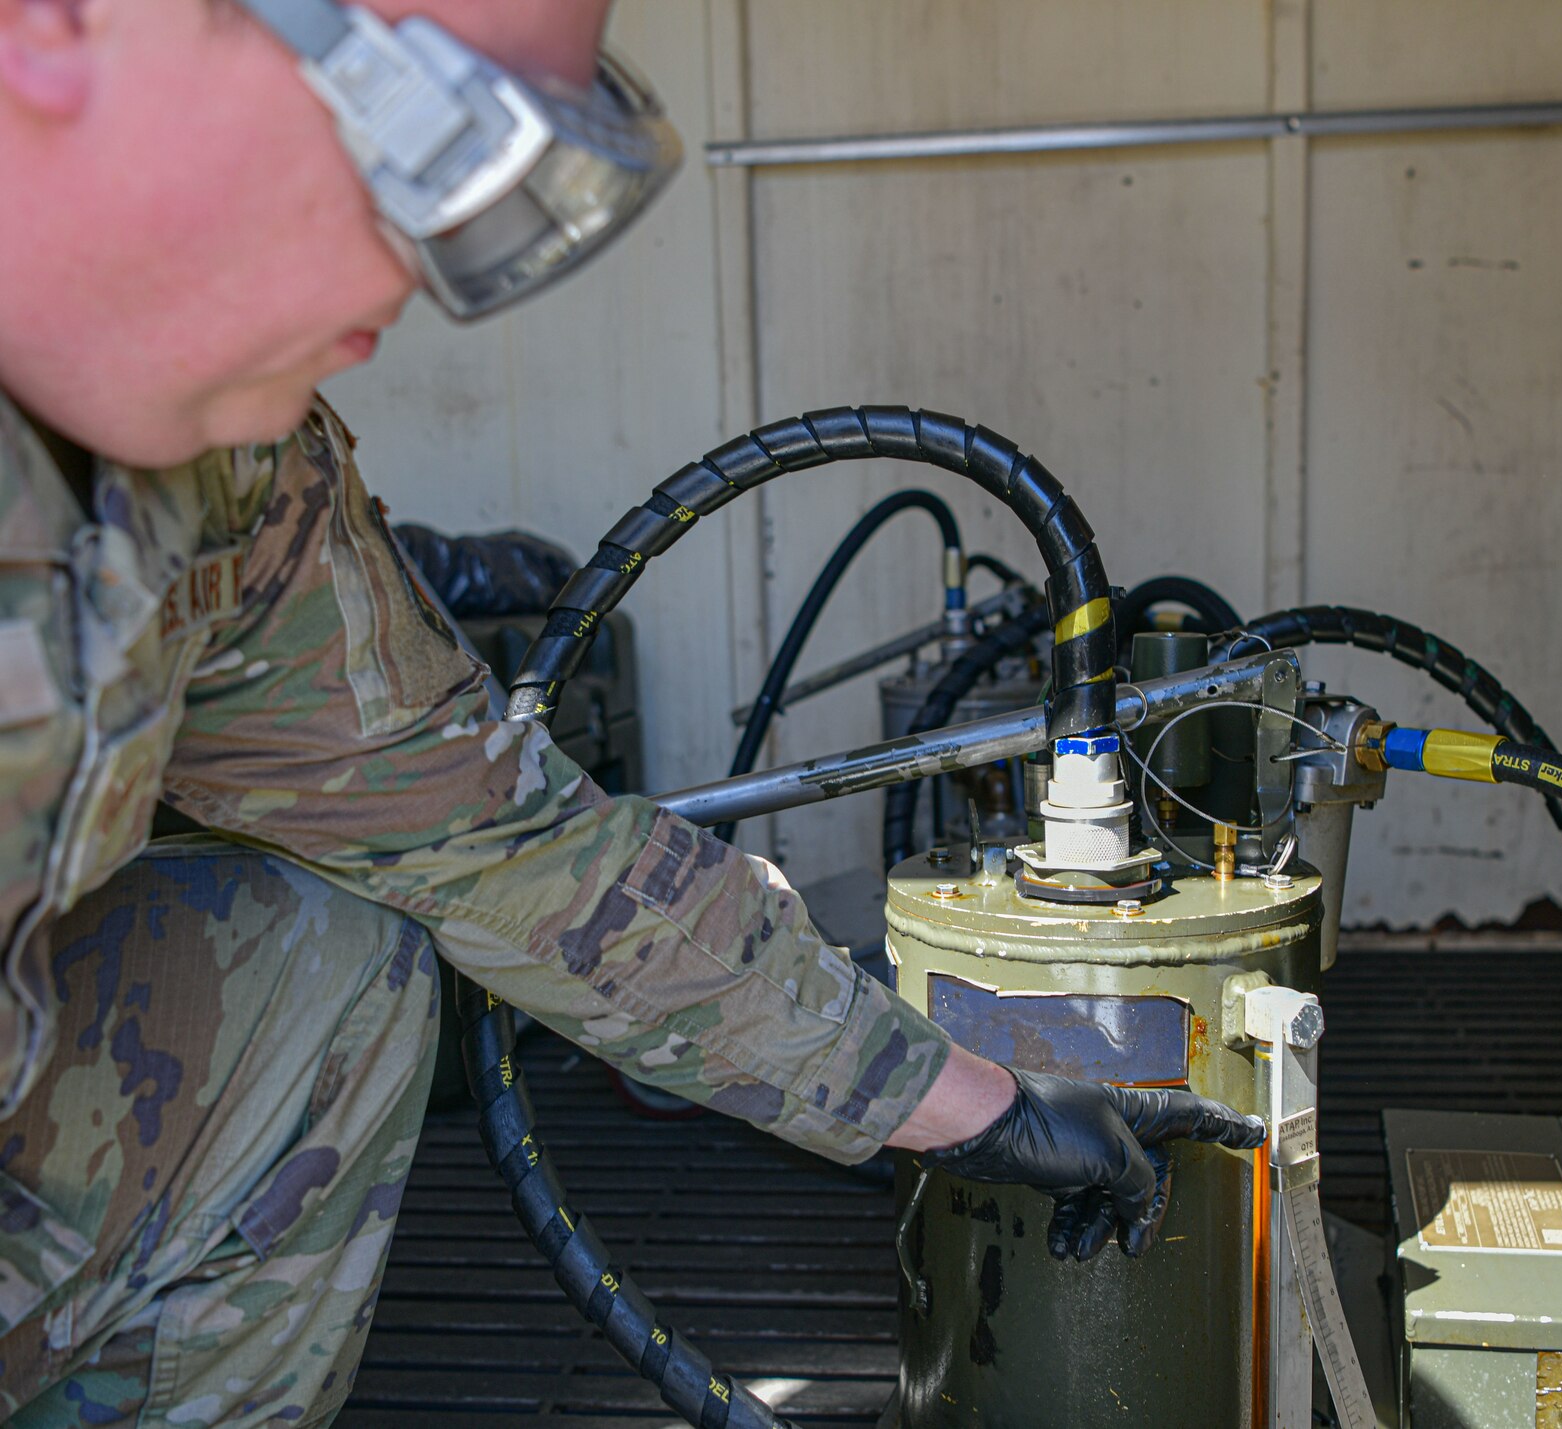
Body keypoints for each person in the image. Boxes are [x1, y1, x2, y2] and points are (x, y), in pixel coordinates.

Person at [0, 2, 1263, 1424]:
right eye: (429, 140)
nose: (414, 275)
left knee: (314, 964)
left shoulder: (222, 472)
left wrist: (983, 1106)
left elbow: (501, 847)